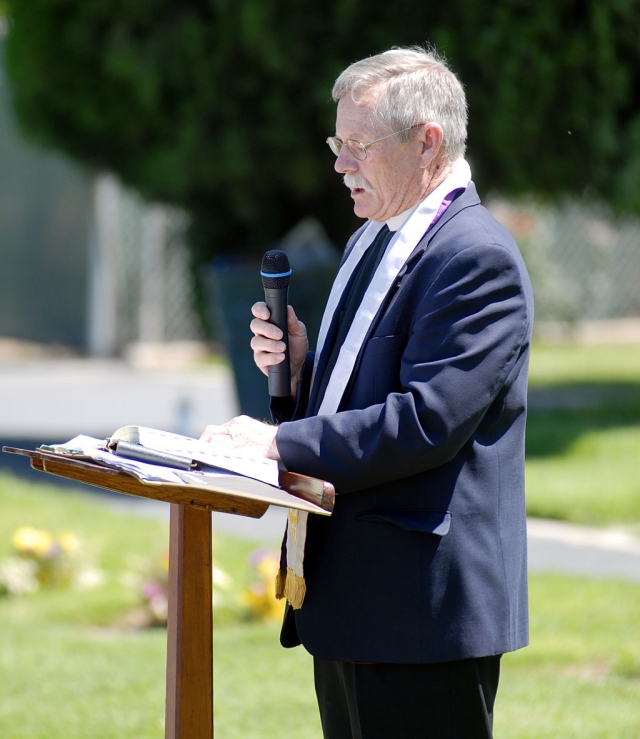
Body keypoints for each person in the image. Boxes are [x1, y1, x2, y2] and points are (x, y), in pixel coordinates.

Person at [201, 46, 533, 738]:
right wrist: (301, 365)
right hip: (357, 595)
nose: (339, 163)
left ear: (427, 143)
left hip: (422, 610)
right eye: (337, 141)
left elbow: (426, 419)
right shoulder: (374, 240)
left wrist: (275, 442)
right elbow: (362, 390)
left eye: (359, 144)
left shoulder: (474, 255)